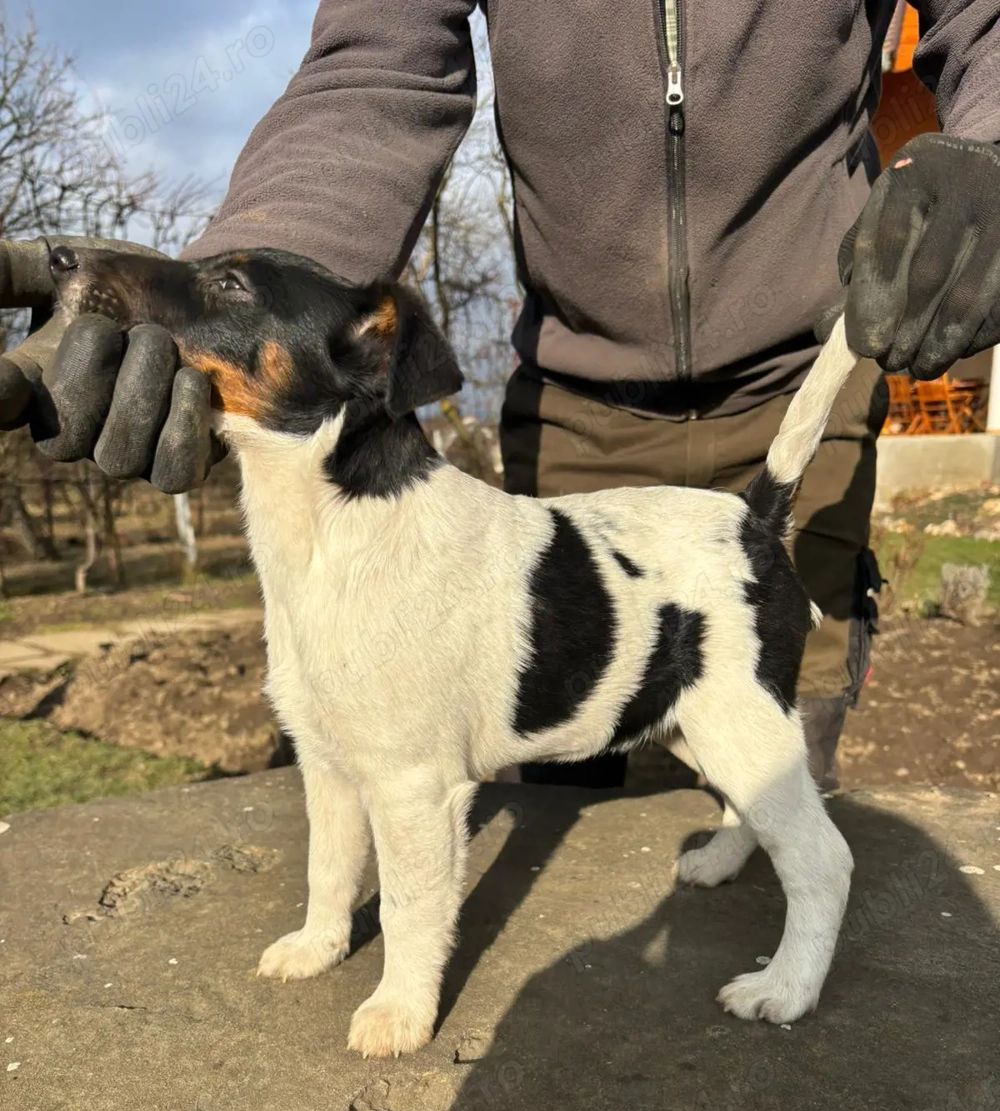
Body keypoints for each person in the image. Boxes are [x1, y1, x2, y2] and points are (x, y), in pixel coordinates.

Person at [2, 1, 999, 790]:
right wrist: (242, 309)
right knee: (553, 776)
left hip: (804, 401)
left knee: (778, 766)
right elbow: (374, 62)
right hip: (575, 420)